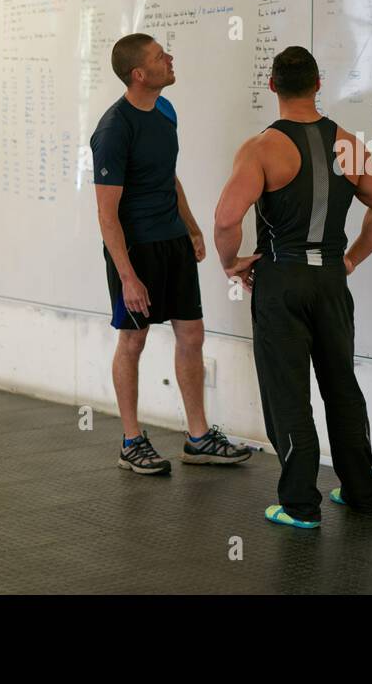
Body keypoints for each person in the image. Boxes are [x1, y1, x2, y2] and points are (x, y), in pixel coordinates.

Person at [213, 46, 372, 528]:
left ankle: (299, 505)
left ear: (272, 86)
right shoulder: (349, 144)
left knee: (287, 393)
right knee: (342, 386)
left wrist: (232, 263)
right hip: (331, 281)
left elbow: (227, 218)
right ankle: (360, 492)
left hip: (282, 280)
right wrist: (351, 259)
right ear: (319, 83)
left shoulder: (260, 149)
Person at [89, 33, 251, 474]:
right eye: (161, 57)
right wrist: (127, 276)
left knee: (192, 334)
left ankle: (198, 437)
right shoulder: (113, 130)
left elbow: (168, 176)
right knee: (134, 339)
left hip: (173, 241)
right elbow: (107, 215)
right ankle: (131, 441)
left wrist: (193, 227)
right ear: (139, 74)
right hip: (135, 249)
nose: (171, 58)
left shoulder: (164, 109)